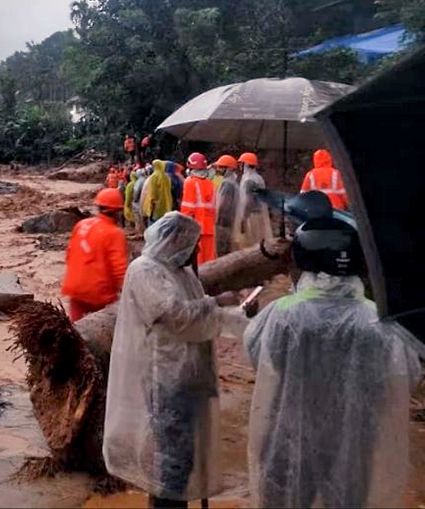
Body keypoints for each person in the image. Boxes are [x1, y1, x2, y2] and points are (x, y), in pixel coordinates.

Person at [244, 216, 420, 508]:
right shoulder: (378, 319)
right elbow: (405, 376)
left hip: (289, 434)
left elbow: (259, 360)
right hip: (353, 439)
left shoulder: (282, 313)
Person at [103, 212, 251, 508]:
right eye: (192, 244)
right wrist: (216, 304)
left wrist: (235, 315)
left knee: (184, 456)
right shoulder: (145, 270)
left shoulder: (180, 272)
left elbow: (200, 318)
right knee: (170, 460)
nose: (196, 251)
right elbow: (173, 315)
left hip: (188, 377)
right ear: (174, 241)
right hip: (165, 378)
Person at [61, 188, 129, 322]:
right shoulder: (114, 233)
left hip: (74, 287)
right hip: (98, 293)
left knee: (75, 329)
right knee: (102, 331)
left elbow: (69, 255)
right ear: (117, 212)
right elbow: (120, 269)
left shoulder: (81, 225)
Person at [179, 152, 217, 265]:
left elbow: (187, 209)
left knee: (197, 262)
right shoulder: (211, 183)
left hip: (195, 229)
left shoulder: (190, 182)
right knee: (210, 261)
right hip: (210, 228)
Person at [234, 152, 273, 249]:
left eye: (241, 164)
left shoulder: (248, 180)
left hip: (251, 216)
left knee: (249, 245)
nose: (240, 166)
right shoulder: (259, 178)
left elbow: (248, 201)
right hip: (260, 215)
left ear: (245, 164)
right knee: (260, 244)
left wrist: (243, 217)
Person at [212, 155, 240, 257]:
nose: (218, 169)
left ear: (228, 169)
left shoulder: (227, 184)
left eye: (221, 167)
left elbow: (223, 204)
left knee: (221, 250)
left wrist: (215, 219)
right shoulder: (232, 182)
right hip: (229, 222)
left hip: (222, 223)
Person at [141, 160, 173, 227]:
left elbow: (152, 193)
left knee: (154, 227)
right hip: (167, 205)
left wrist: (150, 205)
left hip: (156, 207)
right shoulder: (167, 177)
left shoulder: (153, 177)